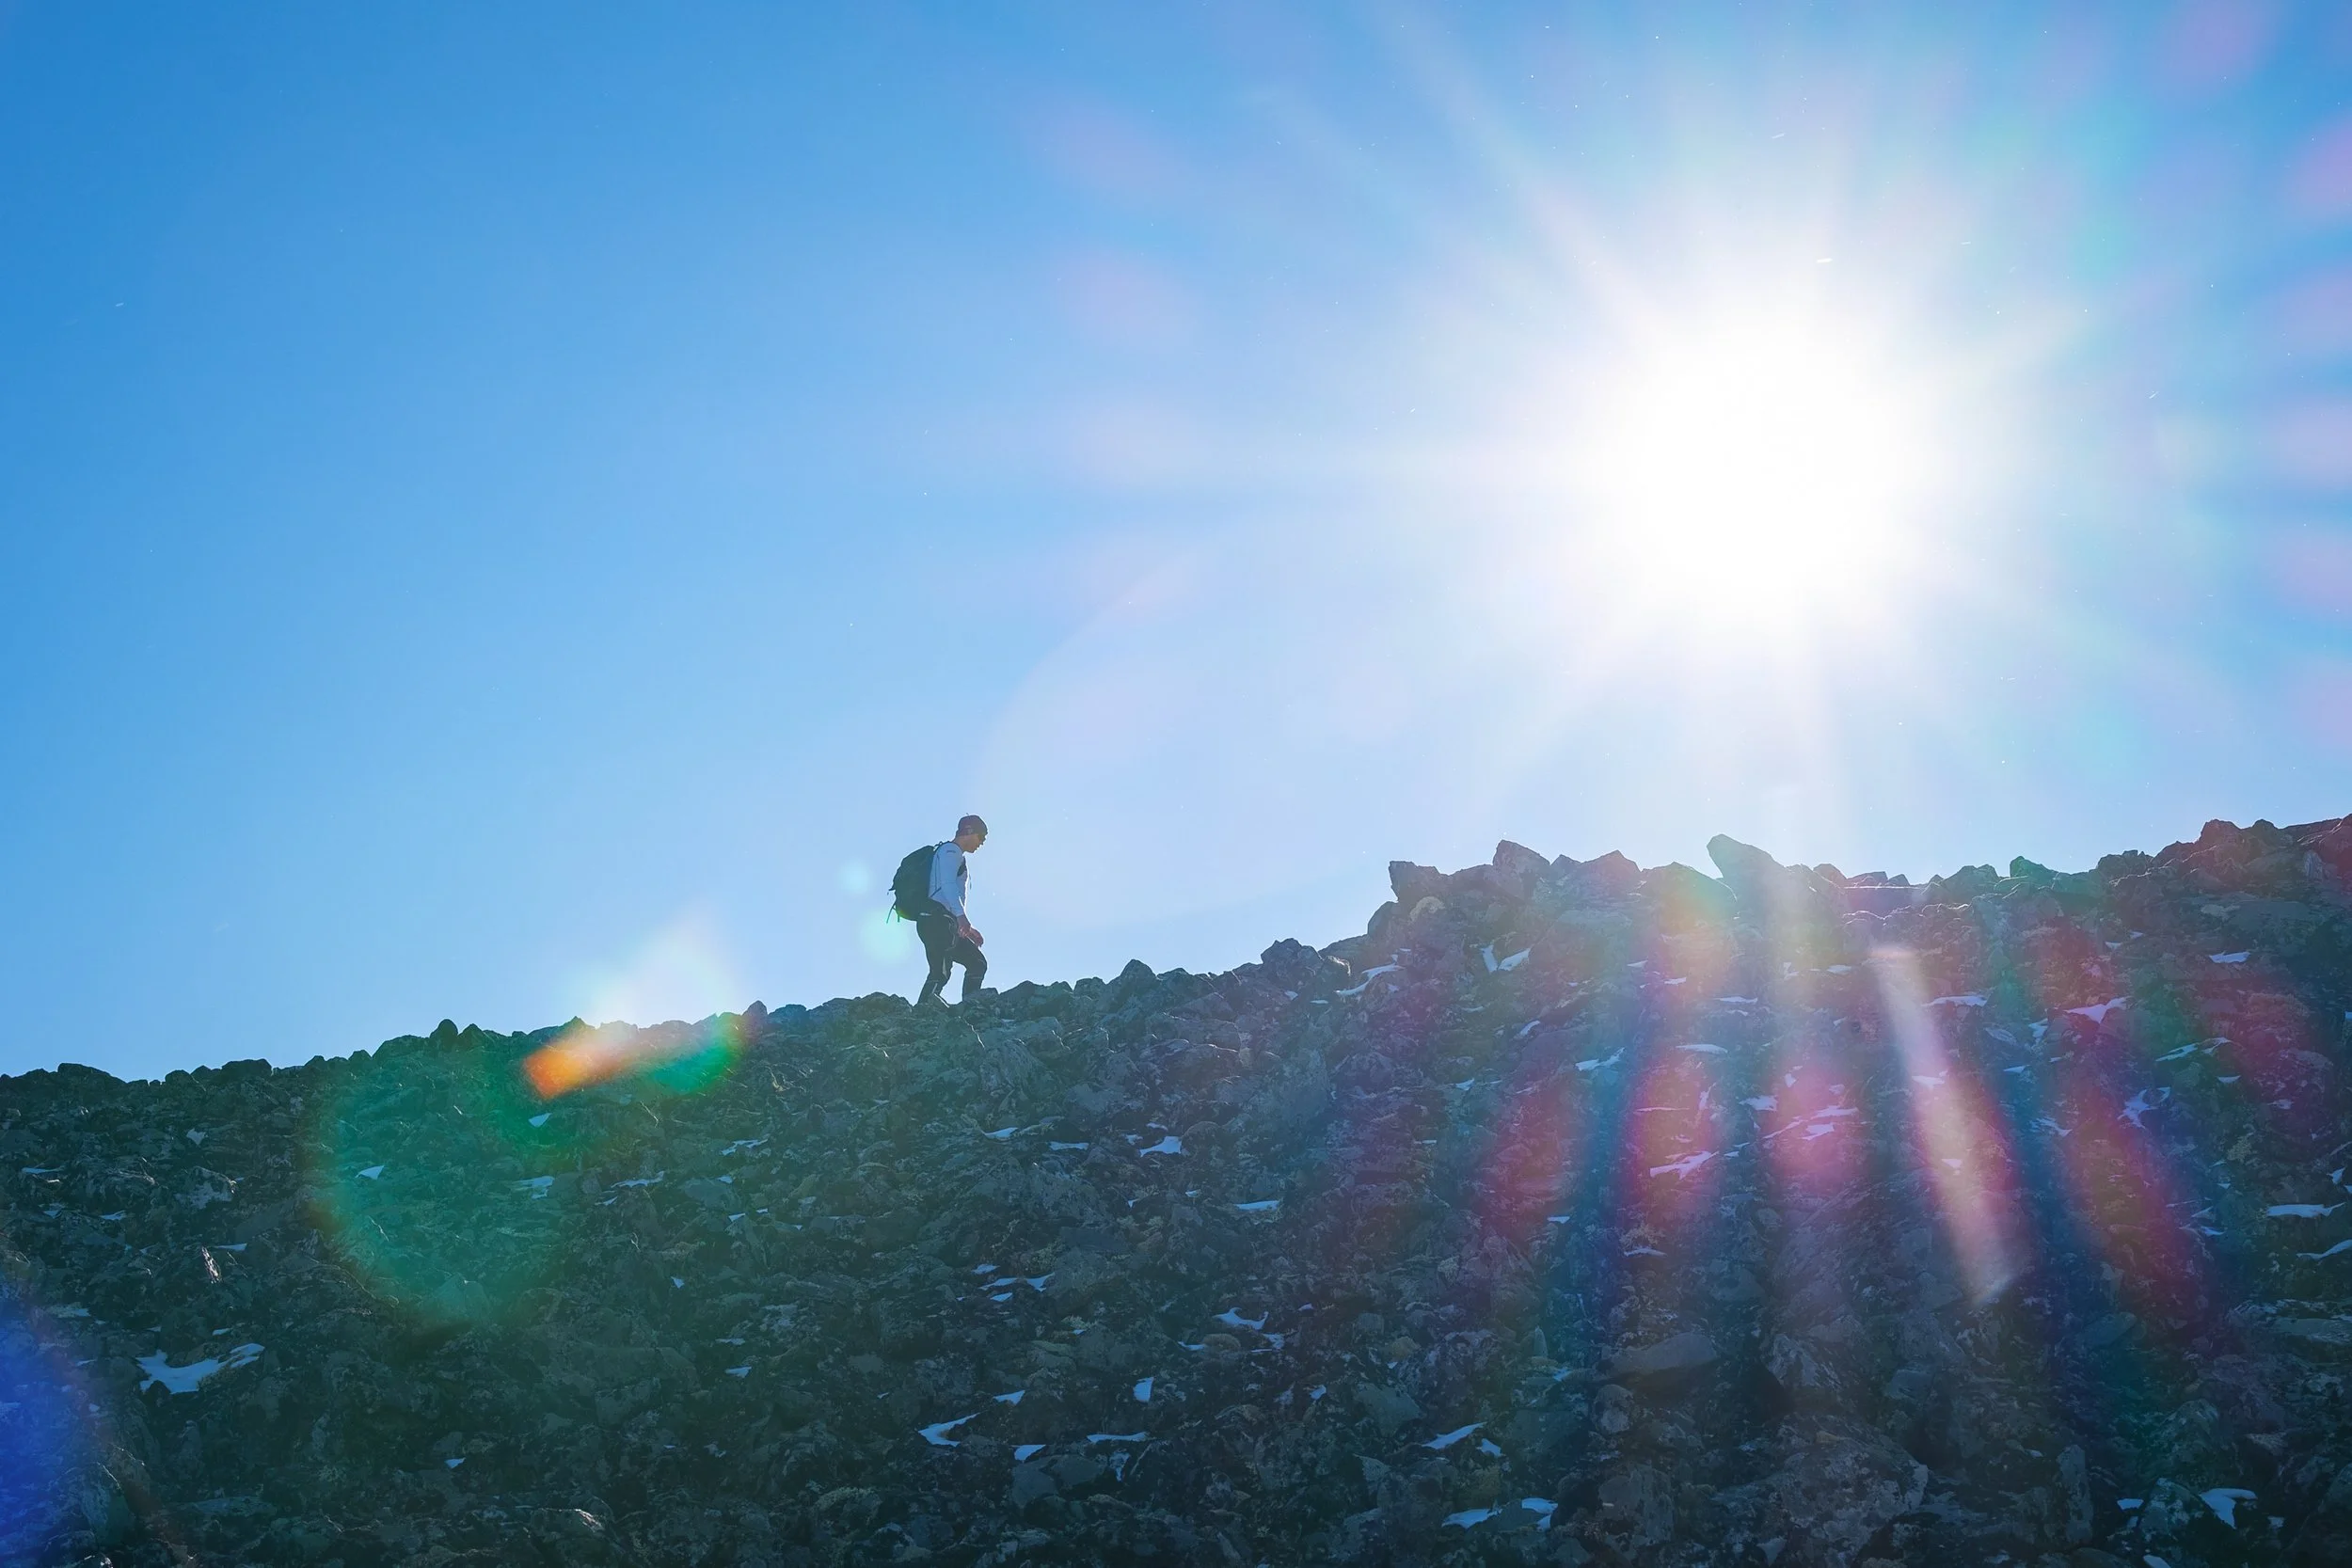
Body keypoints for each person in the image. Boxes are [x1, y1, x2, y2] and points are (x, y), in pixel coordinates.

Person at [911, 816, 988, 1006]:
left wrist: (967, 928)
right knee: (941, 972)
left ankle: (969, 1010)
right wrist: (962, 918)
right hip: (937, 920)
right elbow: (947, 886)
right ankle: (920, 1016)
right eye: (981, 837)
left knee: (976, 963)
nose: (982, 843)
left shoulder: (950, 853)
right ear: (969, 832)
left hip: (941, 920)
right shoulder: (950, 852)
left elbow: (948, 893)